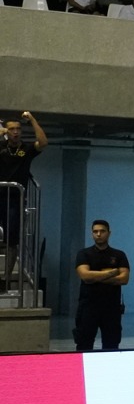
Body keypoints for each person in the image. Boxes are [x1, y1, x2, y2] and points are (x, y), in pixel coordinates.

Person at [0, 112, 46, 285]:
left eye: (18, 129)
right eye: (12, 129)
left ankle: (5, 279)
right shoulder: (1, 146)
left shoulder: (26, 149)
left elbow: (43, 143)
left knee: (12, 241)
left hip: (15, 199)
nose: (16, 132)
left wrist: (33, 120)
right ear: (7, 131)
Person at [73, 219, 128, 351]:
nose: (98, 234)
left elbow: (124, 279)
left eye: (102, 231)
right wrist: (111, 273)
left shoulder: (119, 255)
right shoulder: (84, 254)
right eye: (95, 231)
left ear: (109, 233)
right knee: (84, 344)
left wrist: (95, 277)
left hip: (112, 308)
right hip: (88, 307)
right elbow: (85, 276)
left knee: (111, 345)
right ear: (92, 234)